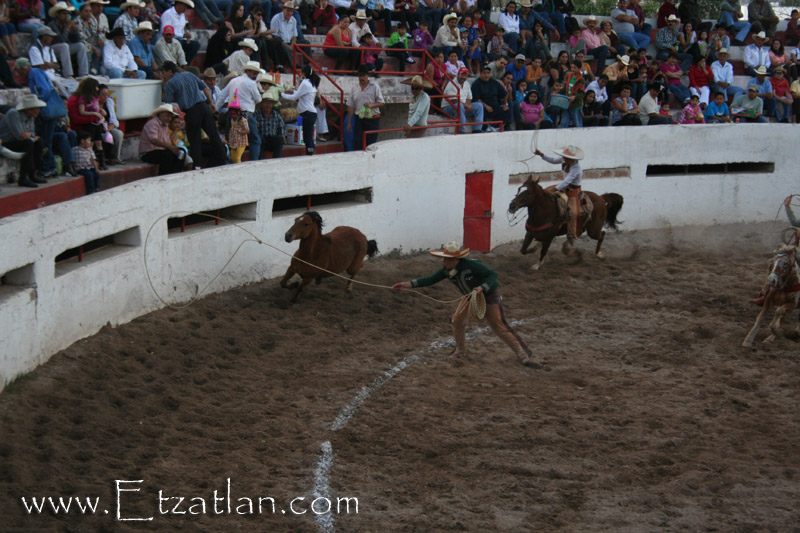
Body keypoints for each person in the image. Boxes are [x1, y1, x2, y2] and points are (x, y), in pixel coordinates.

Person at [391, 241, 535, 366]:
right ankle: (460, 350)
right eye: (444, 259)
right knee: (457, 321)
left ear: (455, 259)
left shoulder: (472, 265)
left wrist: (482, 287)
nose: (444, 262)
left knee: (498, 326)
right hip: (470, 296)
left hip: (489, 295)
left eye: (447, 259)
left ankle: (521, 353)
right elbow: (430, 279)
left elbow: (492, 275)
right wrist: (405, 284)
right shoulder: (447, 270)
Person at [161, 61, 228, 169]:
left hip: (191, 111)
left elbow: (166, 101)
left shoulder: (170, 83)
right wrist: (211, 102)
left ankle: (197, 165)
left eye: (163, 73)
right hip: (203, 106)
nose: (163, 75)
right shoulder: (189, 74)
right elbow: (204, 87)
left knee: (194, 139)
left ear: (169, 71)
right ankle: (223, 159)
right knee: (213, 134)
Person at [750, 196, 800, 305]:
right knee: (776, 262)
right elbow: (795, 221)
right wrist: (787, 206)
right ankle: (765, 294)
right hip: (797, 251)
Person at [533, 144, 585, 246]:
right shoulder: (564, 160)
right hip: (564, 187)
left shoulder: (576, 168)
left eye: (567, 158)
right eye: (564, 157)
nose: (564, 159)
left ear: (572, 159)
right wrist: (541, 154)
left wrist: (555, 189)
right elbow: (553, 160)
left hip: (573, 191)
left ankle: (571, 234)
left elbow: (567, 180)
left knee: (573, 213)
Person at [218, 60, 263, 160]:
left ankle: (235, 162)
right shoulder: (251, 83)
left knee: (234, 140)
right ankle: (253, 162)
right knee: (255, 140)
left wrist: (216, 109)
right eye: (254, 73)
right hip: (245, 113)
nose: (255, 75)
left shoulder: (233, 81)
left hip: (232, 113)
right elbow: (258, 99)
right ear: (248, 71)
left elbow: (222, 95)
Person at [0, 94, 46, 187]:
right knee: (28, 143)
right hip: (6, 142)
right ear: (29, 110)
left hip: (20, 141)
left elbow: (31, 133)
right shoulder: (14, 114)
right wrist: (30, 136)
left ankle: (32, 174)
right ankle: (23, 178)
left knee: (39, 142)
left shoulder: (31, 117)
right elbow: (20, 135)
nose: (39, 111)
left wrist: (30, 136)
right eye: (37, 108)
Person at [281, 64, 320, 155]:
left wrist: (282, 95)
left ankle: (310, 154)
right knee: (307, 136)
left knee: (307, 137)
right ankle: (310, 153)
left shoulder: (305, 83)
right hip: (309, 113)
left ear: (304, 73)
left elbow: (295, 97)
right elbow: (300, 93)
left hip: (307, 113)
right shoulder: (310, 83)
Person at [47, 2, 89, 79]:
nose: (66, 16)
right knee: (64, 45)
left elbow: (77, 39)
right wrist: (67, 28)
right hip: (53, 48)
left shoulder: (66, 23)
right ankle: (68, 74)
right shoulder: (52, 25)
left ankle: (83, 73)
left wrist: (75, 30)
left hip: (64, 48)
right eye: (64, 13)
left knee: (81, 46)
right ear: (57, 14)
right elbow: (61, 40)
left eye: (67, 14)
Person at [347, 64, 385, 150]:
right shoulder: (354, 88)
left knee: (371, 145)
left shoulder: (374, 86)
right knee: (358, 143)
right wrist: (349, 122)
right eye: (360, 76)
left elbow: (382, 103)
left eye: (364, 75)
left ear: (367, 76)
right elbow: (351, 106)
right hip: (359, 119)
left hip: (373, 119)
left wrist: (371, 105)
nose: (362, 78)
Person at [140, 104, 184, 175]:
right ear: (160, 114)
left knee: (181, 152)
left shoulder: (165, 125)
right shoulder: (153, 123)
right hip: (148, 153)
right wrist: (170, 147)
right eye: (167, 116)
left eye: (170, 117)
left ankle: (175, 175)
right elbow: (154, 140)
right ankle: (163, 176)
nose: (169, 119)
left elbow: (167, 141)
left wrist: (174, 148)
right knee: (167, 155)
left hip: (160, 151)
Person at [443, 66, 484, 133]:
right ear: (458, 74)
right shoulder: (452, 83)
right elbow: (453, 100)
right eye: (462, 75)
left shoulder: (466, 83)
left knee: (479, 106)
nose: (463, 77)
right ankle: (461, 130)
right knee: (460, 105)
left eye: (465, 75)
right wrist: (466, 106)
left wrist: (467, 106)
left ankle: (477, 129)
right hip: (448, 107)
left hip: (462, 107)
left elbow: (469, 98)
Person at [160, 0, 201, 64]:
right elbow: (166, 31)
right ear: (178, 4)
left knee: (195, 45)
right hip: (169, 40)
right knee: (178, 43)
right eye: (184, 6)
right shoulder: (168, 14)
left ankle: (186, 64)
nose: (185, 8)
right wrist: (183, 35)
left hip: (179, 40)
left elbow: (182, 27)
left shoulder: (182, 15)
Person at [471, 64, 508, 131]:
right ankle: (485, 128)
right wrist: (486, 106)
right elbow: (476, 99)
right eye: (484, 73)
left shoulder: (494, 82)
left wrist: (505, 104)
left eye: (488, 73)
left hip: (495, 106)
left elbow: (504, 94)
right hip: (484, 107)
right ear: (480, 74)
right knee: (481, 108)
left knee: (506, 109)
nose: (486, 75)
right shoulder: (476, 84)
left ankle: (493, 127)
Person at [255, 92, 285, 158]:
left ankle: (277, 160)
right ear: (262, 103)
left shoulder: (275, 114)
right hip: (262, 139)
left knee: (279, 139)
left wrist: (282, 134)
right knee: (259, 139)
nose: (268, 105)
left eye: (270, 103)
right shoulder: (257, 113)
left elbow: (281, 126)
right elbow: (253, 128)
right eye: (266, 103)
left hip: (272, 139)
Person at [560, 59, 584, 128]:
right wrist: (558, 91)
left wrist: (575, 97)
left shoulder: (581, 79)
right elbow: (566, 88)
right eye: (572, 67)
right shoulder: (569, 76)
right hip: (567, 102)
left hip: (576, 104)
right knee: (564, 122)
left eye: (575, 68)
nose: (572, 69)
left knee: (577, 123)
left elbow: (582, 93)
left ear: (579, 69)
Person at [225, 94, 249, 163]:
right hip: (233, 142)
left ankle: (240, 168)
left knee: (237, 158)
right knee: (233, 158)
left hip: (241, 142)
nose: (233, 114)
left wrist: (240, 131)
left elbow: (247, 130)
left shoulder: (243, 120)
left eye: (234, 112)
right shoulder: (231, 120)